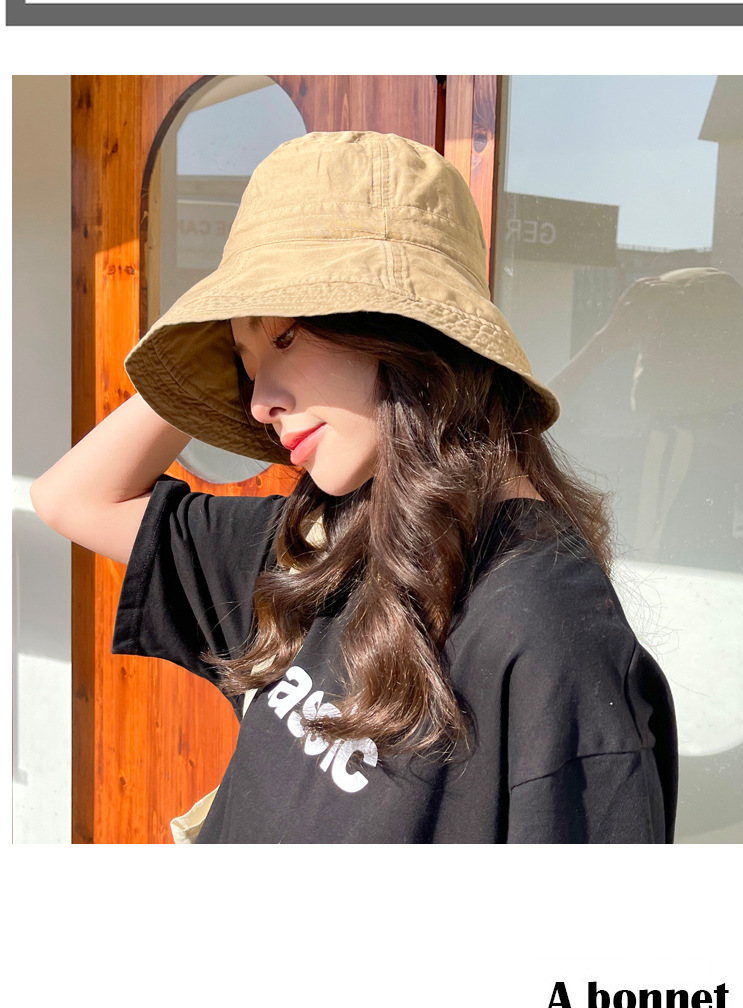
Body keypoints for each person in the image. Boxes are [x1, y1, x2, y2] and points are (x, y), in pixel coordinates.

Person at [31, 130, 677, 844]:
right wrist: (220, 339)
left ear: (404, 327)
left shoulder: (547, 635)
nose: (257, 403)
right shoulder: (309, 552)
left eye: (285, 337)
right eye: (245, 367)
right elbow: (71, 498)